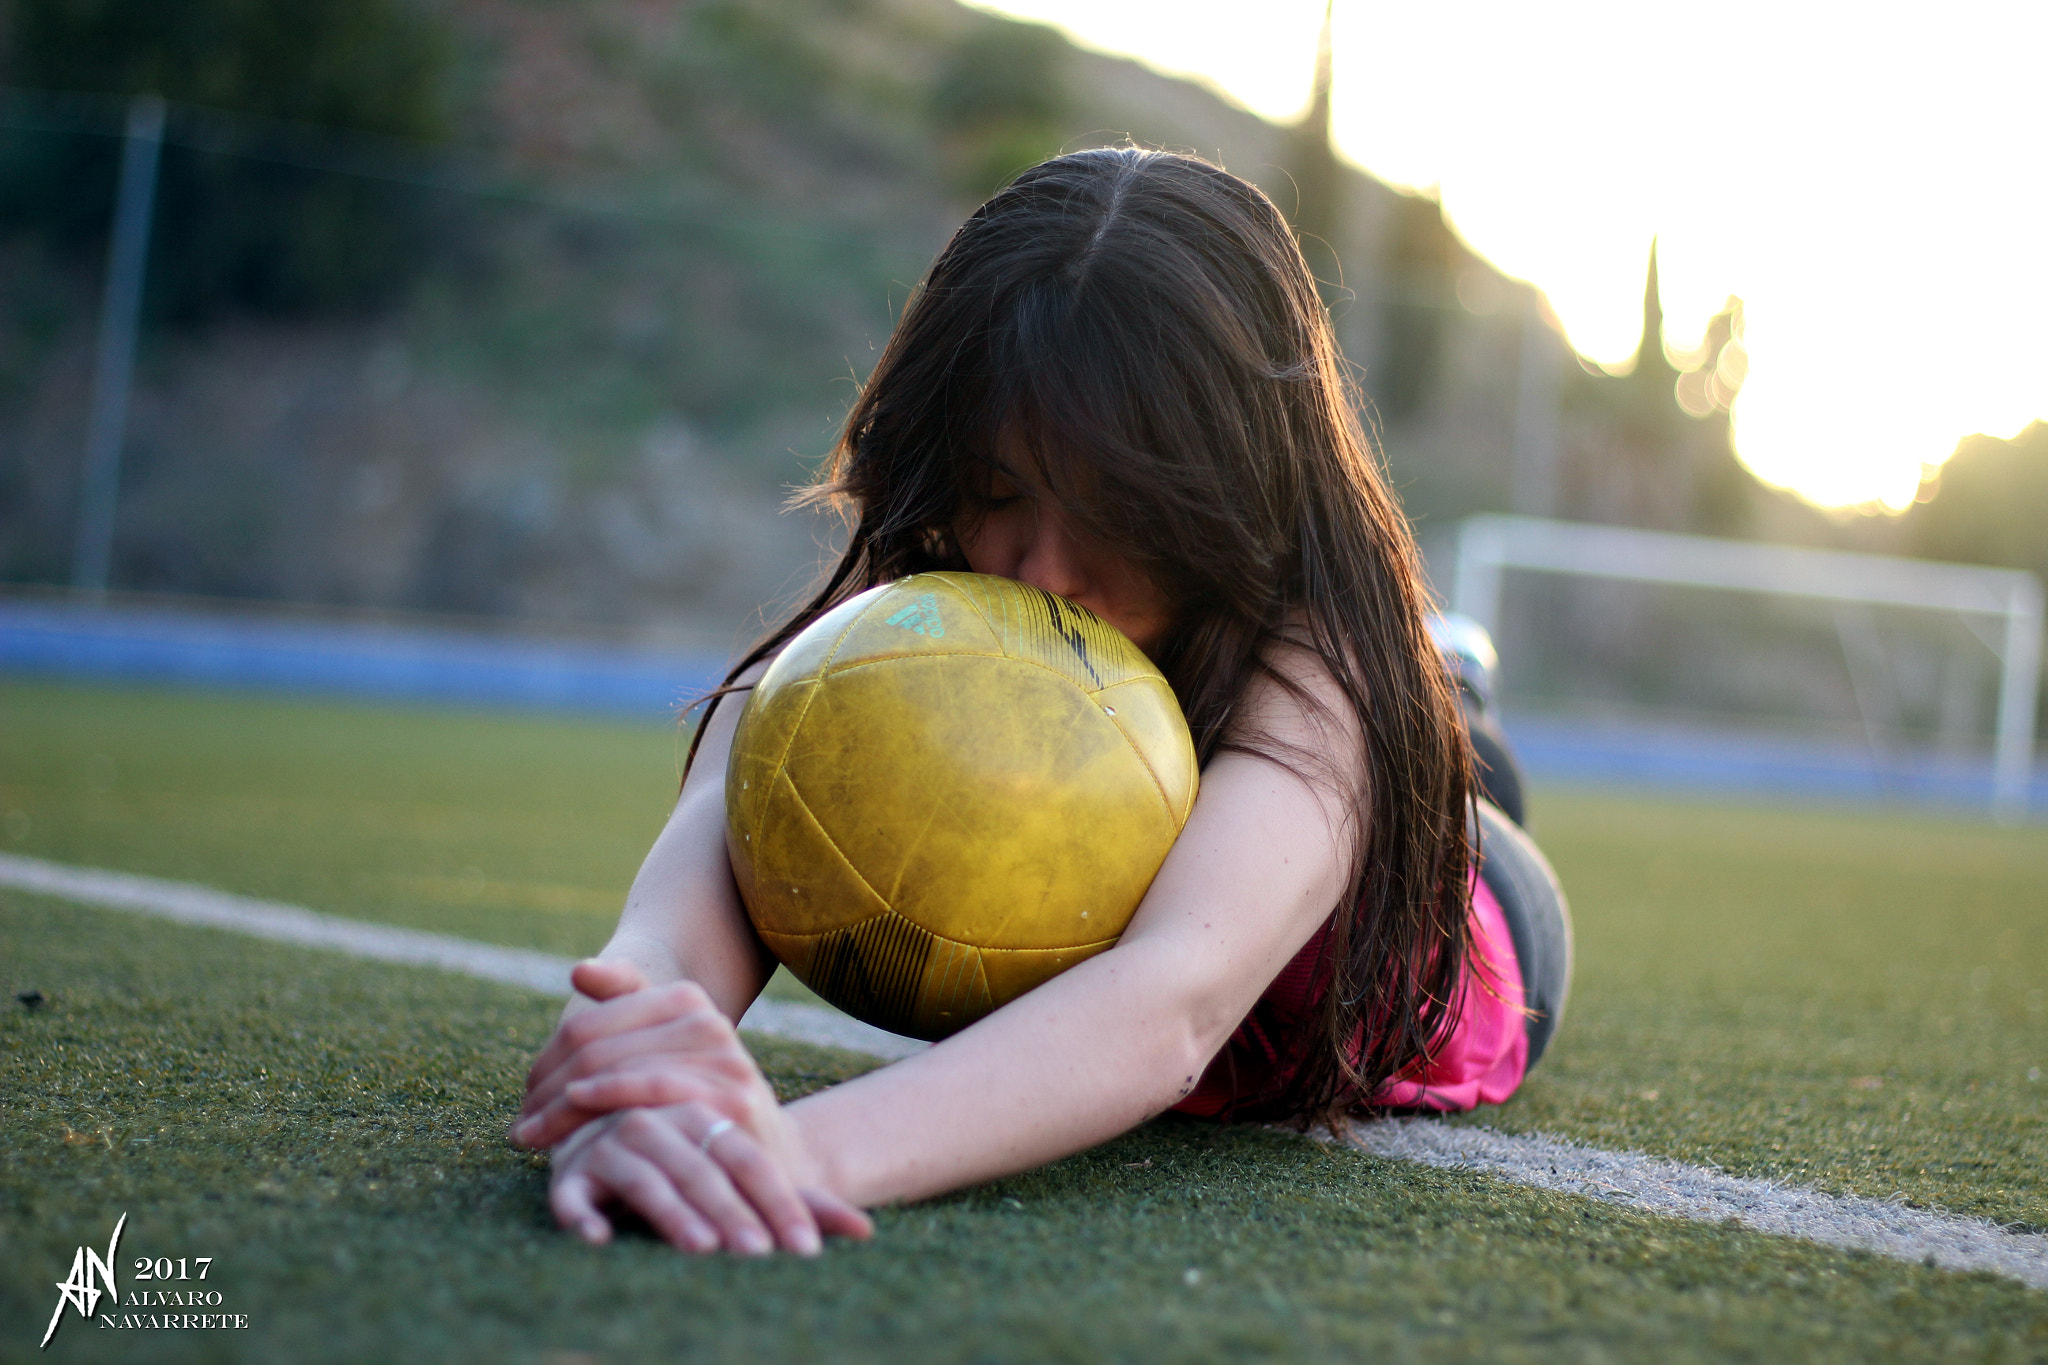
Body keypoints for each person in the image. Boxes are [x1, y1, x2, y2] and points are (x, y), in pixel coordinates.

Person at [509, 148, 1571, 1256]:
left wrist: (782, 1156)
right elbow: (676, 927)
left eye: (1119, 514)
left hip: (1457, 893)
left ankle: (1447, 693)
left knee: (1455, 757)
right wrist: (631, 1075)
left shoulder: (1316, 666)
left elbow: (1171, 1007)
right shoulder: (898, 624)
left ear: (1225, 494)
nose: (1039, 573)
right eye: (997, 492)